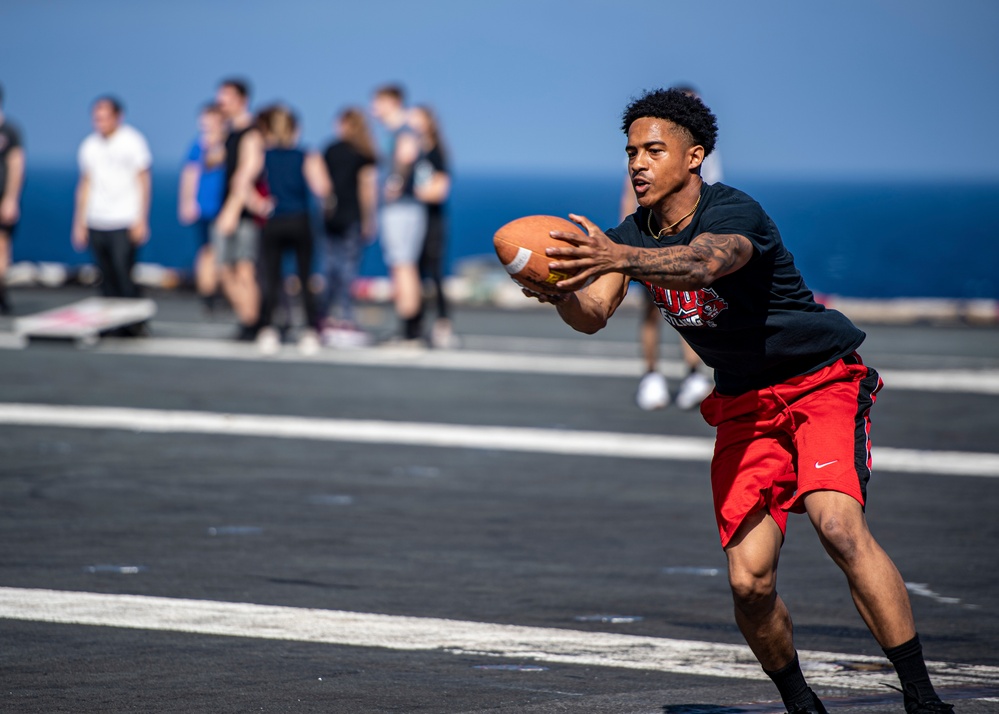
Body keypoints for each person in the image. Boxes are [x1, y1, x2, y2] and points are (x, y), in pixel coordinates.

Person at [527, 89, 953, 714]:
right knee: (749, 582)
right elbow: (592, 315)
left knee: (838, 525)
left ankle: (922, 698)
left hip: (819, 381)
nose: (637, 165)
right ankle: (801, 704)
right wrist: (556, 287)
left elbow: (703, 265)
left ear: (694, 156)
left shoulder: (734, 212)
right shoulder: (630, 234)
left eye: (653, 150)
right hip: (744, 406)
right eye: (630, 154)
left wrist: (620, 256)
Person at [631, 85, 719, 411]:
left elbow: (709, 198)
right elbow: (631, 197)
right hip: (654, 236)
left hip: (691, 240)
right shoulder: (650, 150)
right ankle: (651, 375)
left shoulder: (701, 153)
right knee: (653, 309)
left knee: (687, 309)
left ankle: (694, 372)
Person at [254, 104, 331, 355]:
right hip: (300, 220)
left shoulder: (263, 155)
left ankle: (267, 329)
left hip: (273, 220)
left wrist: (259, 204)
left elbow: (241, 181)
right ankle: (309, 331)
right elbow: (322, 189)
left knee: (271, 278)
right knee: (306, 277)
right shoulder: (307, 155)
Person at [72, 96, 151, 304]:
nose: (100, 123)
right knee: (104, 276)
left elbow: (143, 180)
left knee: (123, 272)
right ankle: (110, 322)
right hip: (96, 219)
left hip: (124, 218)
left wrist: (141, 219)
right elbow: (85, 184)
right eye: (96, 118)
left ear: (118, 117)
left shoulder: (133, 141)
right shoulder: (89, 146)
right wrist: (79, 223)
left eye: (105, 118)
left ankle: (133, 323)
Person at [370, 84, 426, 344]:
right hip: (399, 208)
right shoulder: (394, 131)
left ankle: (409, 328)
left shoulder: (404, 130)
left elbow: (406, 155)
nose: (374, 109)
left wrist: (394, 183)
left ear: (392, 102)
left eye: (377, 102)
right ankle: (407, 325)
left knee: (403, 265)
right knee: (400, 265)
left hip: (401, 208)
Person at [213, 78, 266, 341]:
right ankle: (247, 317)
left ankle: (252, 322)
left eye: (227, 97)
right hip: (227, 209)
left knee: (244, 269)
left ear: (242, 99)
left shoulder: (252, 134)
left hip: (241, 213)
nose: (221, 102)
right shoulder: (229, 133)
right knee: (224, 270)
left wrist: (232, 210)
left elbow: (245, 174)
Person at [320, 107, 377, 345]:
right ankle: (345, 316)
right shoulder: (364, 154)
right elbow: (367, 189)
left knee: (330, 268)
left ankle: (324, 315)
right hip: (352, 216)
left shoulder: (330, 150)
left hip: (331, 216)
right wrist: (369, 220)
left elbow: (322, 186)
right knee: (348, 268)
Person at [409, 104, 455, 349]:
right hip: (413, 221)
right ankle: (415, 324)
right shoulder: (413, 151)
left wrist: (410, 192)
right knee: (413, 274)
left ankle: (443, 323)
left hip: (432, 222)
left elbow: (440, 191)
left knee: (434, 274)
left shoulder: (436, 152)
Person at [178, 103, 226, 313]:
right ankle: (208, 294)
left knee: (220, 253)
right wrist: (187, 202)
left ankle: (220, 291)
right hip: (206, 207)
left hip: (223, 206)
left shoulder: (226, 143)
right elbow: (190, 174)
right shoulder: (199, 146)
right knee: (208, 251)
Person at [0, 83, 25, 315]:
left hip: (1, 199)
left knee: (1, 246)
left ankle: (1, 292)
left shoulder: (9, 131)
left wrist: (10, 199)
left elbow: (16, 165)